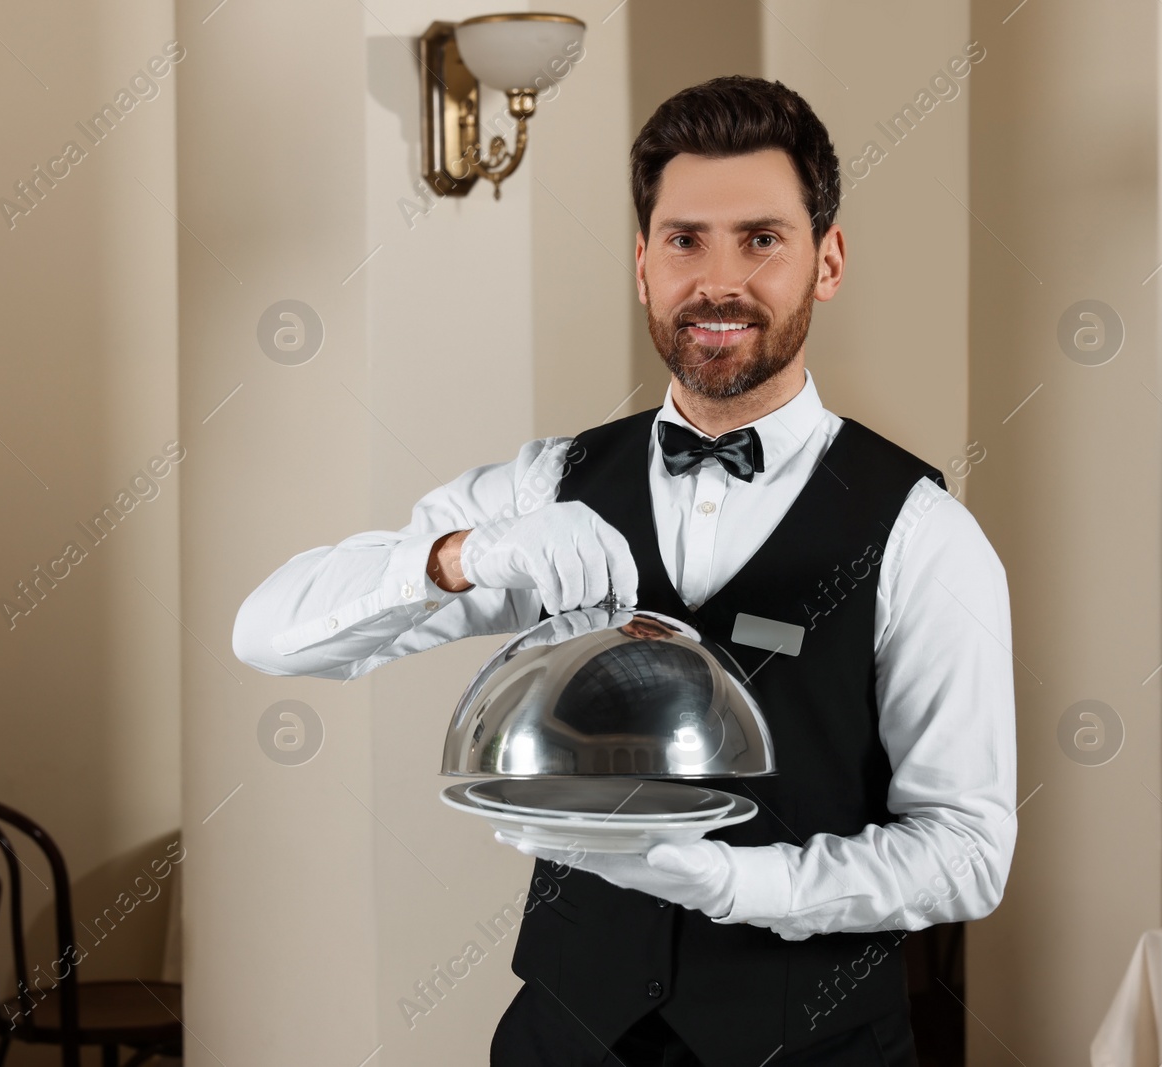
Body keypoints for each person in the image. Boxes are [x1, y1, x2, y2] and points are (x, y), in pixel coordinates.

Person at [233, 75, 1015, 1067]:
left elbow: (966, 854)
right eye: (685, 239)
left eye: (761, 238)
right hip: (567, 1035)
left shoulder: (923, 532)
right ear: (642, 265)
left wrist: (740, 886)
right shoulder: (548, 484)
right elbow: (265, 632)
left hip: (815, 1046)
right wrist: (460, 555)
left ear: (828, 260)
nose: (718, 279)